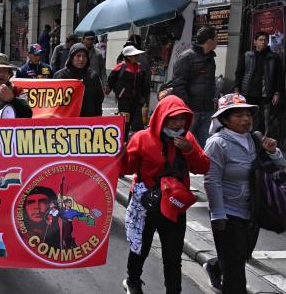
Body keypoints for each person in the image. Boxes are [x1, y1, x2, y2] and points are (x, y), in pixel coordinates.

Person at [121, 95, 210, 294]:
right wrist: (122, 152)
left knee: (173, 255)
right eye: (173, 118)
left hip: (175, 205)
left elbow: (204, 166)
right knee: (140, 248)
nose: (179, 123)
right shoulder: (142, 138)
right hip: (146, 203)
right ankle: (133, 281)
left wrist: (189, 151)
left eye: (182, 118)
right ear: (162, 117)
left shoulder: (188, 139)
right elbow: (126, 168)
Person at [203, 93, 286, 293]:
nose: (246, 119)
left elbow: (280, 167)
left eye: (248, 114)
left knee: (240, 255)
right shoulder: (217, 143)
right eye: (238, 115)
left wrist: (274, 152)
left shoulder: (255, 138)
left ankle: (214, 267)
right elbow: (211, 181)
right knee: (235, 270)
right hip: (228, 213)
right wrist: (218, 214)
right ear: (224, 119)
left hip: (253, 210)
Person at [171, 26, 218, 147]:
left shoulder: (211, 59)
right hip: (191, 110)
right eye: (216, 38)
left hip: (207, 109)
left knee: (204, 144)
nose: (217, 41)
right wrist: (187, 106)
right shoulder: (186, 57)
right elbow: (178, 84)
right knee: (184, 140)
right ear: (209, 41)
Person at [234, 31, 283, 134]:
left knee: (262, 122)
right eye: (260, 40)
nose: (263, 42)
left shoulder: (274, 58)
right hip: (247, 93)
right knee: (245, 120)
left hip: (264, 95)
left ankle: (260, 145)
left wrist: (277, 93)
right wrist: (236, 90)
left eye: (265, 40)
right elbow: (239, 74)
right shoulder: (247, 56)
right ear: (255, 42)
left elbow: (279, 77)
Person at [108, 45, 149, 138]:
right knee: (125, 119)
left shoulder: (140, 68)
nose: (136, 57)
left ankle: (125, 138)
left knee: (132, 119)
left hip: (136, 98)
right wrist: (114, 90)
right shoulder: (120, 67)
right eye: (134, 55)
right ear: (128, 57)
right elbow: (111, 80)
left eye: (136, 55)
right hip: (124, 98)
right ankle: (122, 138)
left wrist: (143, 96)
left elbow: (143, 84)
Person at [54, 43, 103, 116]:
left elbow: (98, 100)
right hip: (67, 121)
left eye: (84, 56)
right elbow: (54, 102)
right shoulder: (60, 76)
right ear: (71, 57)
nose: (81, 59)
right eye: (78, 56)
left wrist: (99, 119)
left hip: (89, 121)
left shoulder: (93, 76)